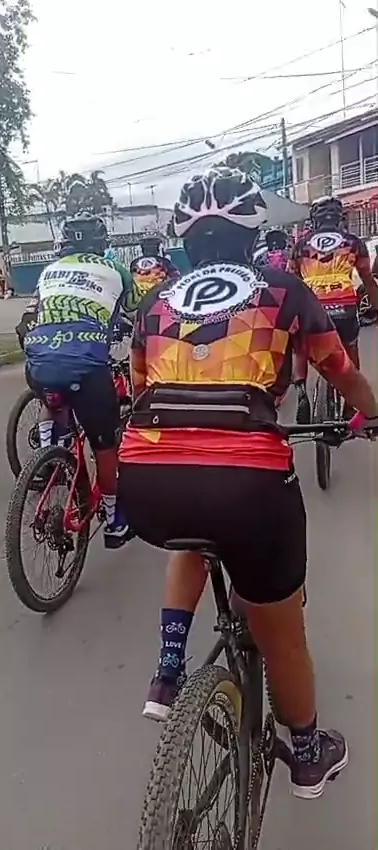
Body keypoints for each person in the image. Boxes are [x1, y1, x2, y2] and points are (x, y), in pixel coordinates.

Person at [118, 168, 378, 799]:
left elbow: (138, 384)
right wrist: (370, 414)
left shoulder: (156, 302)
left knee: (188, 526)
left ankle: (168, 671)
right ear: (254, 231)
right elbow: (338, 368)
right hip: (249, 487)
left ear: (184, 240)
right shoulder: (283, 289)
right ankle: (308, 753)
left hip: (147, 480)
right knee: (281, 631)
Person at [21, 212, 140, 549]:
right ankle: (114, 521)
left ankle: (49, 454)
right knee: (105, 446)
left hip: (38, 362)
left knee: (52, 395)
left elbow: (32, 312)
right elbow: (136, 312)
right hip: (86, 367)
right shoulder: (116, 270)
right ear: (102, 243)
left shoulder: (49, 271)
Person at [289, 196, 378, 422]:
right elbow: (368, 280)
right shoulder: (353, 242)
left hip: (311, 307)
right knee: (350, 350)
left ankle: (301, 392)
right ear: (340, 218)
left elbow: (292, 282)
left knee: (301, 347)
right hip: (344, 306)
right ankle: (350, 406)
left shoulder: (300, 246)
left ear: (314, 220)